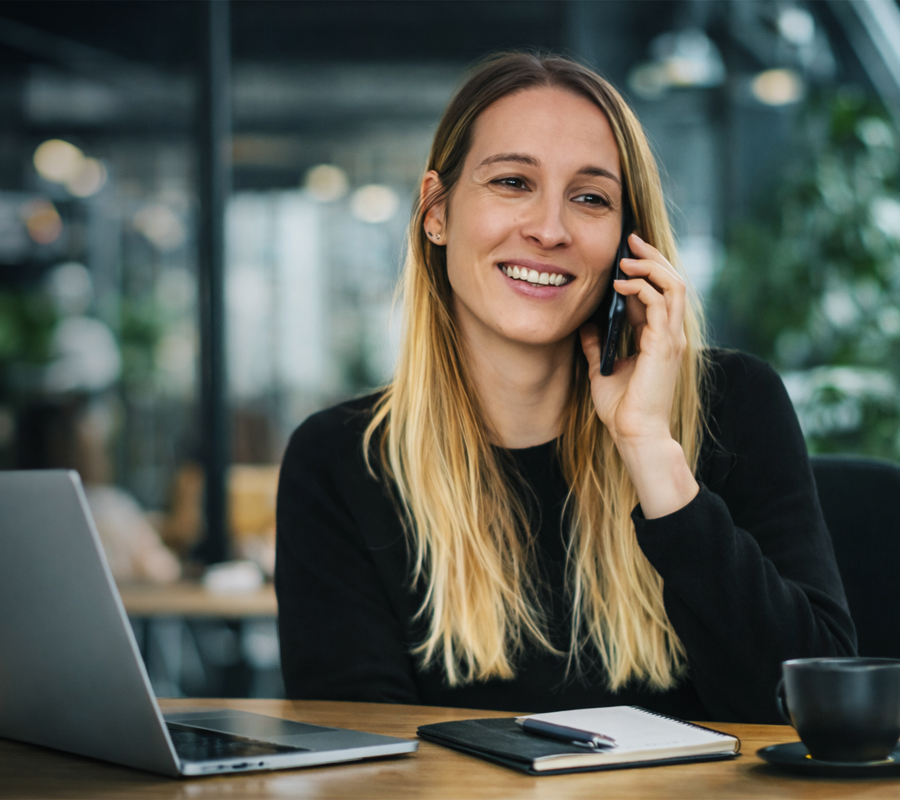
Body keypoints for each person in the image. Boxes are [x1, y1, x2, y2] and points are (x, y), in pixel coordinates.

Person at [274, 52, 856, 724]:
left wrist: (651, 454)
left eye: (590, 198)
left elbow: (815, 713)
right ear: (436, 211)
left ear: (627, 245)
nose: (549, 229)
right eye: (513, 182)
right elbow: (365, 768)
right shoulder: (343, 461)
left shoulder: (735, 406)